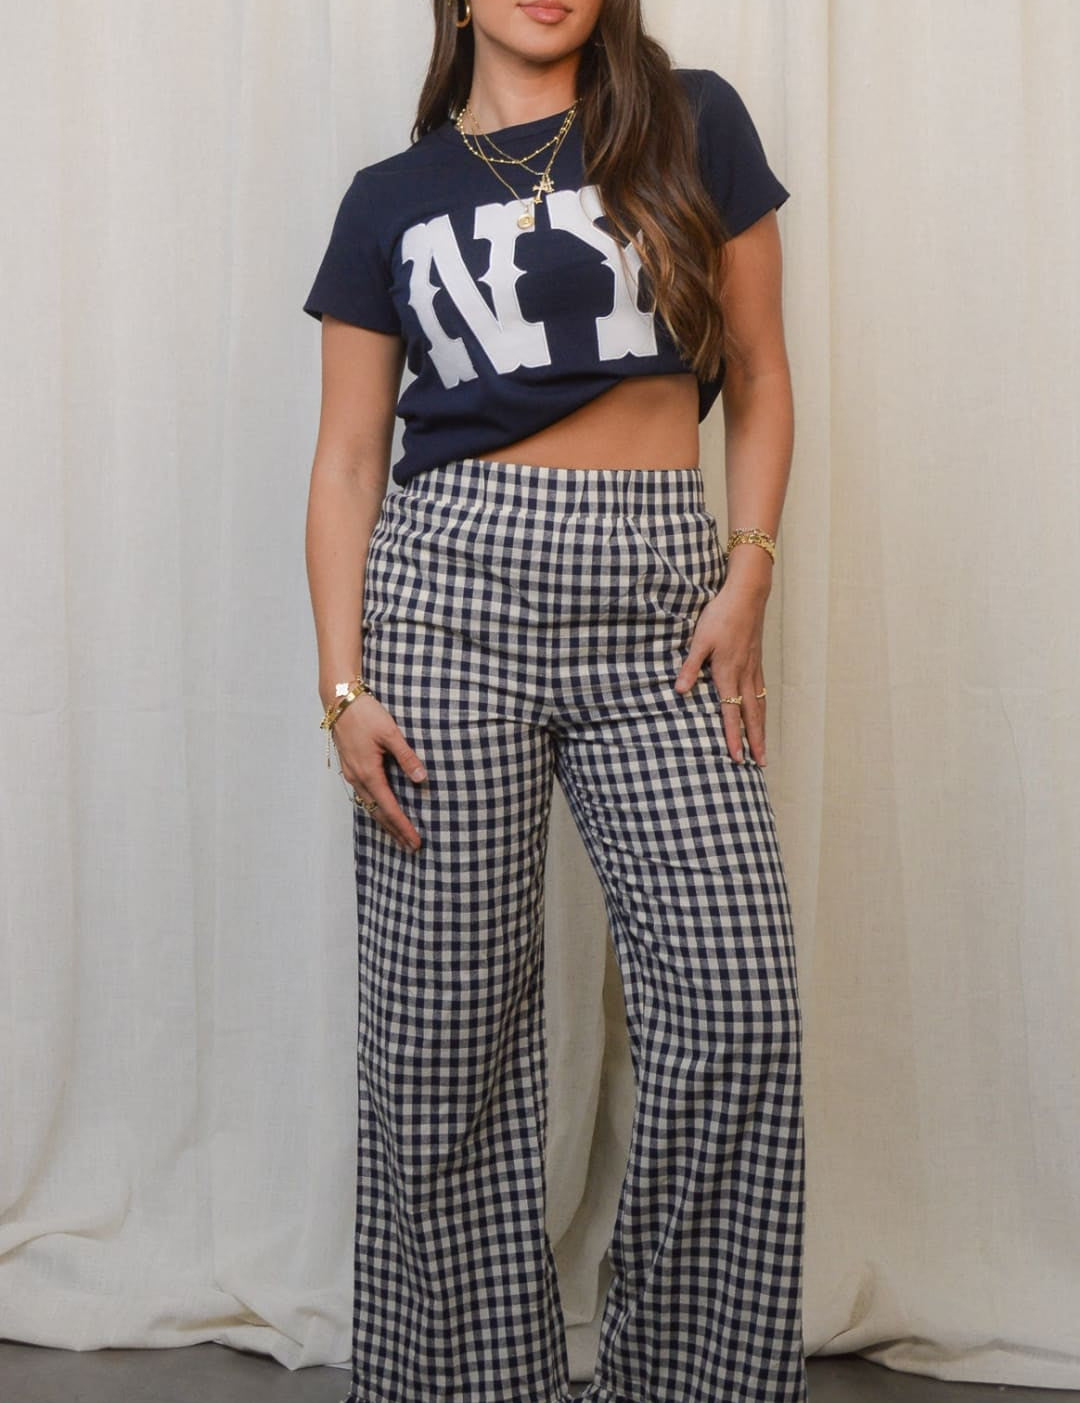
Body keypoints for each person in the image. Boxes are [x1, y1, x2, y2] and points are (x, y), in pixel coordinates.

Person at [302, 3, 805, 1402]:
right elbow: (346, 461)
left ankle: (688, 1382)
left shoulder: (692, 121)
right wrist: (343, 687)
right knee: (445, 1033)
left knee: (735, 1002)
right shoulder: (390, 197)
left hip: (663, 601)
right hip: (446, 601)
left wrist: (747, 574)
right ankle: (469, 1385)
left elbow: (762, 375)